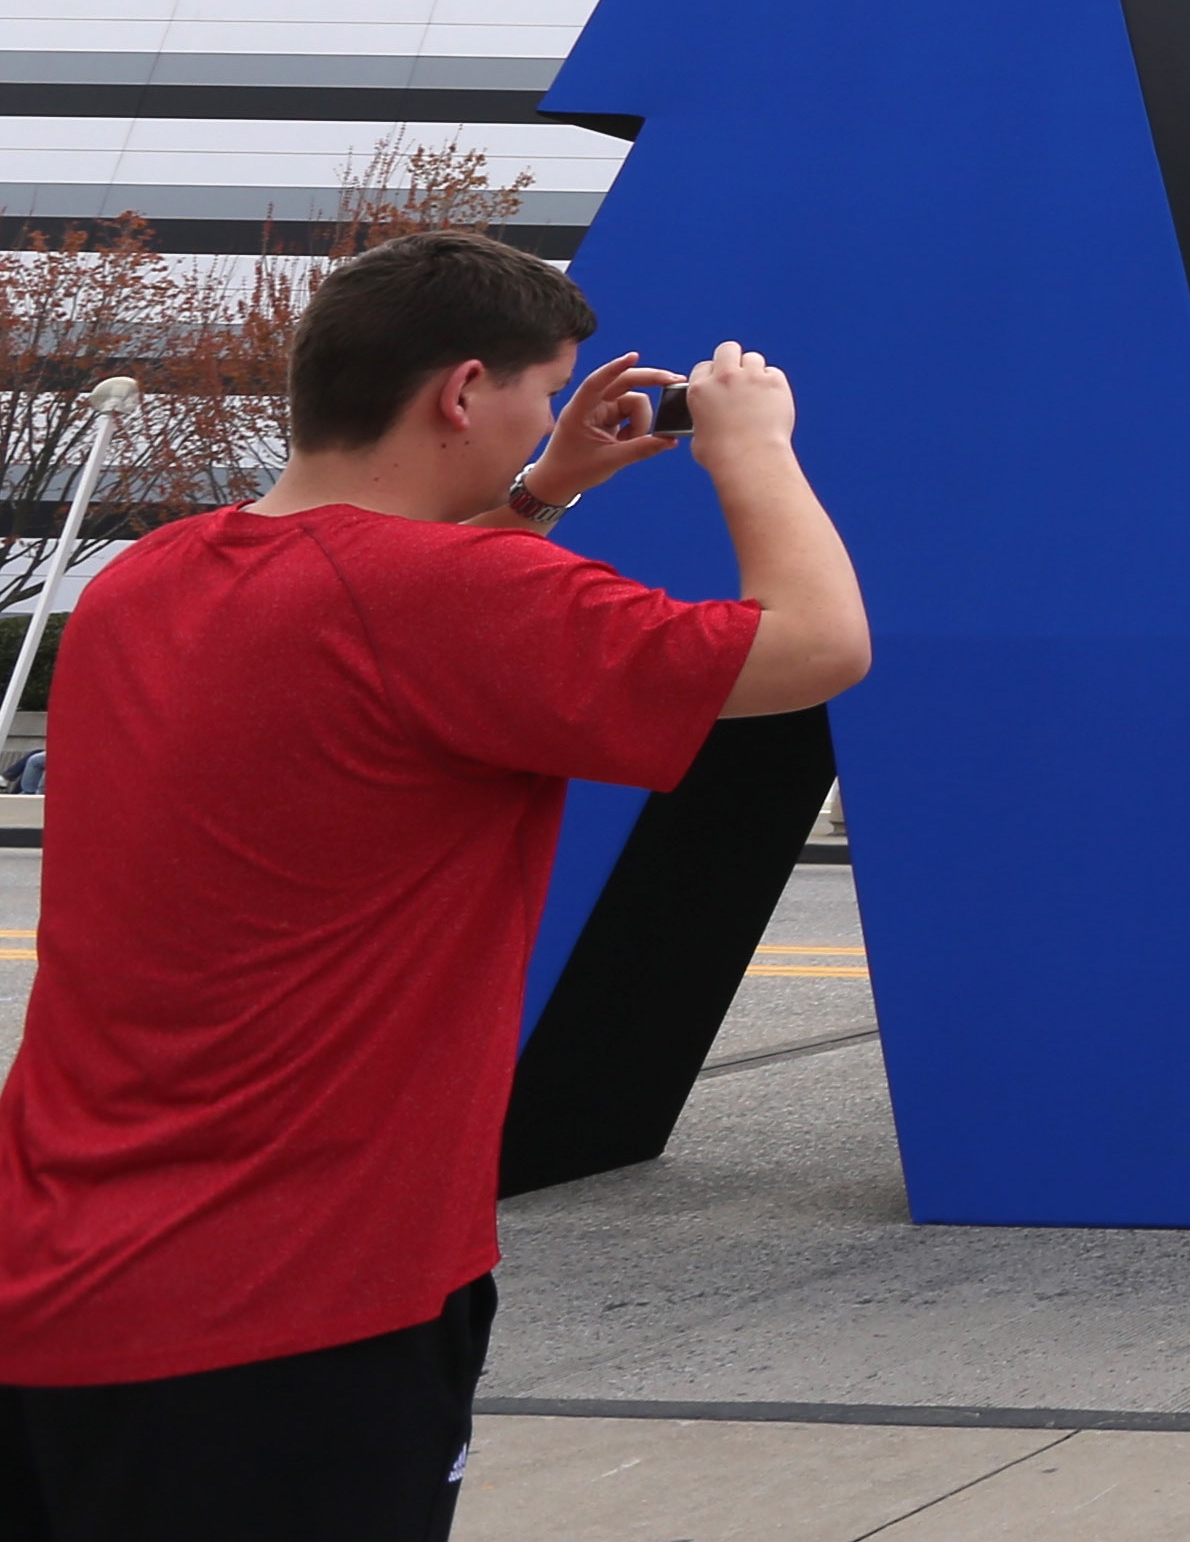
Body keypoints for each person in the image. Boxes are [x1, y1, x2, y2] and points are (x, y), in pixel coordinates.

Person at [0, 229, 870, 1538]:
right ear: (463, 393)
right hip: (296, 1314)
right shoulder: (458, 596)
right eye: (542, 386)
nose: (546, 411)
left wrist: (541, 488)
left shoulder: (147, 579)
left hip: (58, 1284)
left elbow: (371, 618)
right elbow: (817, 643)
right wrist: (751, 446)